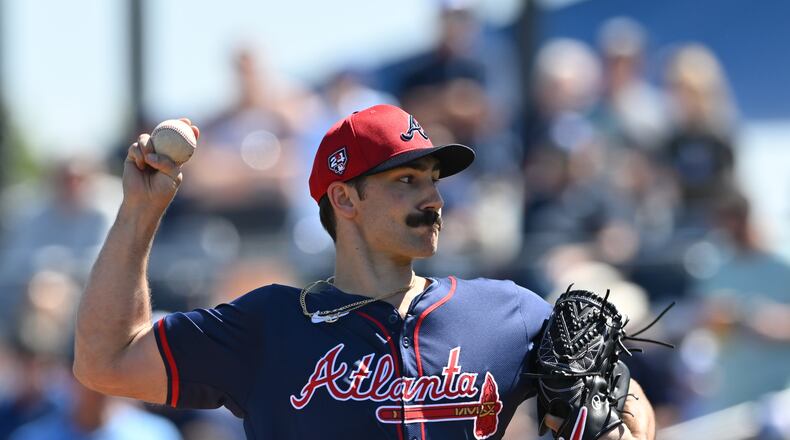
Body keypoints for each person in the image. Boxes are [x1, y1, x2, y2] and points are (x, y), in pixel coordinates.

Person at [73, 104, 656, 439]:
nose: (432, 197)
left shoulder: (507, 312)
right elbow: (106, 361)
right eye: (406, 180)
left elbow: (629, 402)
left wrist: (625, 430)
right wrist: (140, 211)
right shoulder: (268, 326)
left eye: (433, 178)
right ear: (345, 200)